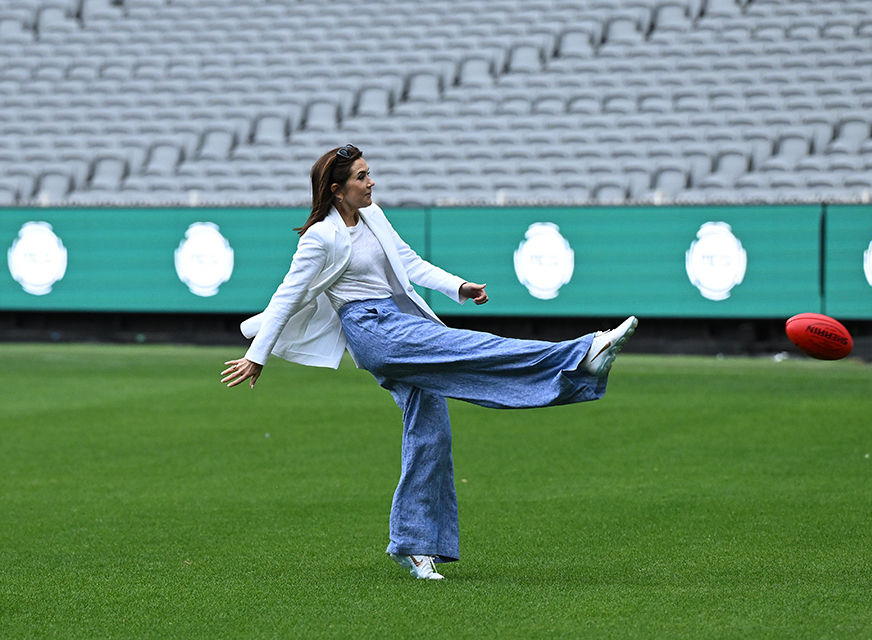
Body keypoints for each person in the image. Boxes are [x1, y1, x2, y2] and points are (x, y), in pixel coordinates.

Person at [221, 144, 637, 580]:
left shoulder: (373, 215)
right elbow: (287, 296)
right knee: (472, 349)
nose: (371, 182)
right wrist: (257, 356)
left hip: (397, 319)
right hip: (373, 331)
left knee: (430, 431)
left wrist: (458, 286)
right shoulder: (319, 237)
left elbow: (408, 262)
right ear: (337, 189)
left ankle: (414, 545)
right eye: (362, 177)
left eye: (369, 174)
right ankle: (582, 354)